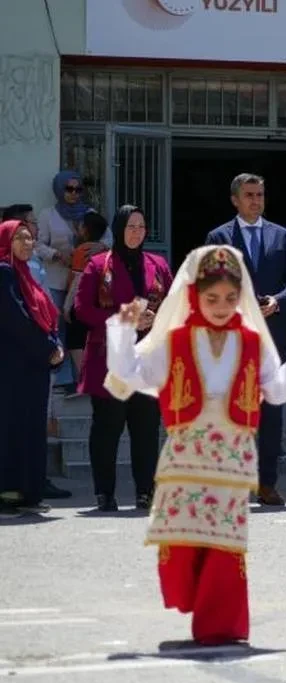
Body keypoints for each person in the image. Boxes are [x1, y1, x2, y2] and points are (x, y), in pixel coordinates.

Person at [105, 246, 286, 645]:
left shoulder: (253, 342)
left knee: (224, 544)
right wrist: (121, 331)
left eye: (229, 298)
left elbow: (276, 390)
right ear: (192, 297)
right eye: (211, 299)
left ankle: (219, 622)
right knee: (185, 543)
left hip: (232, 462)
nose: (221, 307)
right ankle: (196, 603)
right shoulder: (173, 341)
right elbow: (130, 374)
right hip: (184, 460)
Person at [205, 173, 286, 506]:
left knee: (272, 412)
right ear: (235, 199)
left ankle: (267, 483)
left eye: (260, 194)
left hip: (272, 335)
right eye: (249, 194)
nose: (255, 200)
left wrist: (278, 301)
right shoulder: (218, 237)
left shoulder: (282, 236)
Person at [74, 205, 172, 512]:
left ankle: (146, 491)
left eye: (142, 226)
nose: (137, 232)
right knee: (107, 428)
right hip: (110, 360)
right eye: (131, 226)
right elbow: (82, 309)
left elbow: (174, 304)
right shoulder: (98, 265)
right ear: (118, 229)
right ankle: (105, 492)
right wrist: (126, 319)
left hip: (147, 361)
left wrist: (157, 316)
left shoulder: (157, 264)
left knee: (145, 429)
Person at [0, 220, 65, 515]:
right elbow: (17, 319)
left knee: (32, 428)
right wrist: (48, 349)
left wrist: (55, 344)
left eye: (30, 238)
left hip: (34, 365)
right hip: (14, 366)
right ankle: (9, 491)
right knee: (13, 426)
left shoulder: (25, 273)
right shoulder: (4, 273)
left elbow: (46, 314)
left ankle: (30, 490)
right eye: (20, 238)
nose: (28, 243)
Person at [36, 171, 85, 391]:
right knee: (57, 328)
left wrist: (88, 253)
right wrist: (56, 255)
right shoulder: (47, 215)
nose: (73, 194)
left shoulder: (88, 213)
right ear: (59, 190)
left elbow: (106, 239)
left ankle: (82, 378)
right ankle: (63, 379)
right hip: (56, 280)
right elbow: (37, 244)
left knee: (80, 329)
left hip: (82, 282)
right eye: (69, 189)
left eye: (77, 189)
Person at [65, 209, 110, 380]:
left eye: (81, 225)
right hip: (99, 303)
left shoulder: (82, 250)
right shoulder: (106, 252)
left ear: (86, 229)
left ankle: (86, 378)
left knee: (75, 340)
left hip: (82, 301)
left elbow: (77, 280)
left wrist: (67, 306)